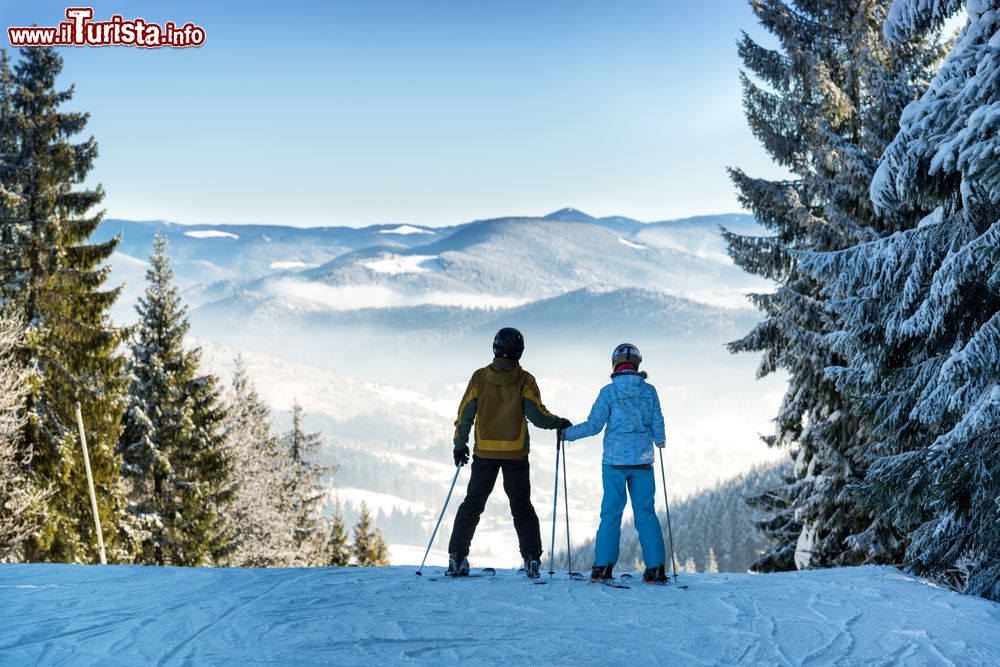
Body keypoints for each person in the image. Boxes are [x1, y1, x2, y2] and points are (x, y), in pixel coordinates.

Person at [447, 327, 571, 578]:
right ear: (520, 352)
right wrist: (559, 423)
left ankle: (457, 557)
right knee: (521, 505)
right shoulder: (525, 380)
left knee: (472, 504)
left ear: (494, 349)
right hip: (516, 453)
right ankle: (532, 559)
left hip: (485, 453)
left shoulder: (479, 378)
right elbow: (537, 415)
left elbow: (464, 416)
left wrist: (459, 445)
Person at [562, 343, 668, 583]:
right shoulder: (649, 391)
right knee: (646, 513)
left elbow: (593, 426)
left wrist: (566, 434)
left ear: (615, 365)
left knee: (611, 513)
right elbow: (658, 426)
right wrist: (659, 441)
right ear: (637, 365)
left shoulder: (608, 392)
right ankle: (657, 569)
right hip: (643, 462)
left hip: (614, 463)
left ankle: (602, 567)